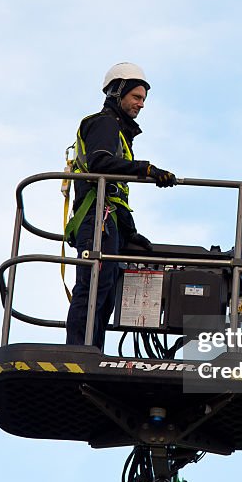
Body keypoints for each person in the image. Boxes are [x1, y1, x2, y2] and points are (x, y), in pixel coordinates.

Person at [65, 62, 177, 349]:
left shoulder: (119, 133)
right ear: (117, 93)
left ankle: (92, 351)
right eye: (136, 97)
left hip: (109, 219)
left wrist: (129, 232)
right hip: (96, 217)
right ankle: (80, 352)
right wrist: (146, 169)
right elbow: (99, 162)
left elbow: (116, 192)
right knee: (93, 288)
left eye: (143, 99)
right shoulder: (103, 123)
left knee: (105, 293)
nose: (141, 104)